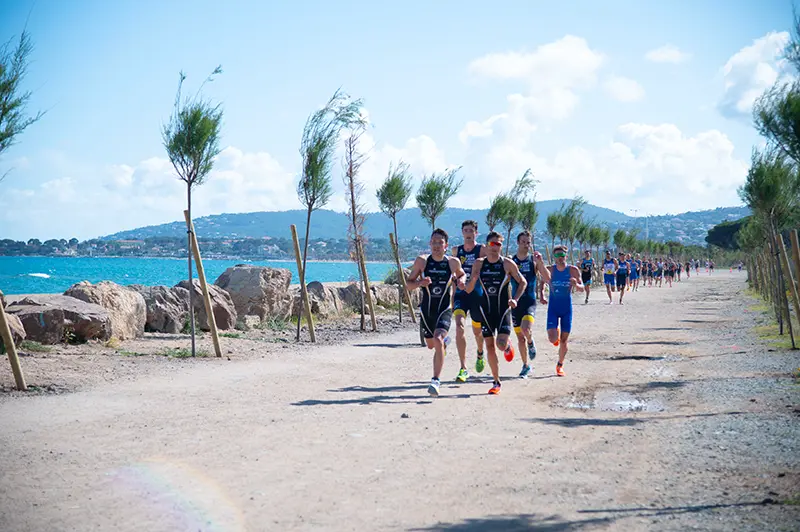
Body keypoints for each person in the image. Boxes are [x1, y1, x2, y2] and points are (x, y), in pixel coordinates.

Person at [406, 228, 467, 397]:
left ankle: (435, 381)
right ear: (429, 244)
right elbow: (408, 285)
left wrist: (461, 282)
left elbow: (462, 275)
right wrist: (420, 282)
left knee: (438, 340)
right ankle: (444, 341)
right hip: (427, 311)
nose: (437, 246)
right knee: (431, 344)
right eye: (434, 242)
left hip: (444, 309)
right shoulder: (422, 262)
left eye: (440, 243)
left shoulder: (452, 262)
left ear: (446, 246)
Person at [466, 231, 528, 395]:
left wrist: (515, 299)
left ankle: (507, 346)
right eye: (492, 244)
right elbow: (470, 288)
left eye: (498, 244)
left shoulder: (507, 264)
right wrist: (469, 282)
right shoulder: (479, 264)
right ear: (486, 246)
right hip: (485, 310)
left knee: (500, 344)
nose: (495, 247)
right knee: (489, 346)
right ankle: (496, 382)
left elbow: (523, 282)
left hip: (503, 310)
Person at [511, 231, 551, 378]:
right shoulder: (511, 261)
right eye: (523, 242)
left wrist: (540, 262)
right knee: (519, 337)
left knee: (525, 329)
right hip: (515, 303)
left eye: (528, 242)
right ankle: (525, 365)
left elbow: (547, 278)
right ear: (518, 242)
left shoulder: (533, 261)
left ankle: (530, 341)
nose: (526, 245)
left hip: (529, 301)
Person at [451, 220, 486, 382]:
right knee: (459, 327)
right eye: (466, 230)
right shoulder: (456, 251)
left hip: (477, 295)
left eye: (471, 231)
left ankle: (480, 353)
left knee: (477, 332)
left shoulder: (482, 250)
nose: (468, 233)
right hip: (460, 295)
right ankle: (463, 368)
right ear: (462, 233)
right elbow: (452, 272)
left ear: (476, 233)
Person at [541, 244, 584, 376]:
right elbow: (542, 281)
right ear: (554, 258)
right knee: (552, 339)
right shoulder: (550, 270)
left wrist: (576, 284)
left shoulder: (573, 270)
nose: (560, 258)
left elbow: (582, 288)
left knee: (564, 340)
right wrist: (542, 294)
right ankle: (555, 333)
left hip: (566, 309)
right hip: (553, 308)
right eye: (557, 256)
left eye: (562, 255)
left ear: (566, 255)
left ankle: (560, 365)